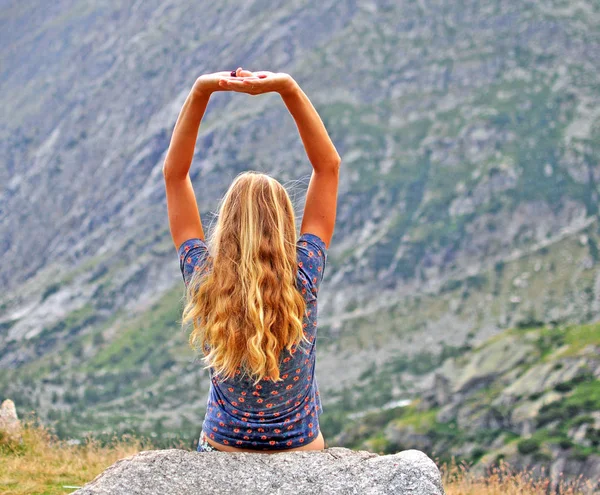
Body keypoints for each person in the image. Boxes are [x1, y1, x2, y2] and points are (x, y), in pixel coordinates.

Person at [162, 67, 341, 453]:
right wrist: (287, 87)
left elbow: (175, 177)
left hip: (223, 447)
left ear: (225, 225)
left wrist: (201, 91)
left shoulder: (203, 276)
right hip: (301, 450)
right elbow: (327, 167)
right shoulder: (304, 275)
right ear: (285, 223)